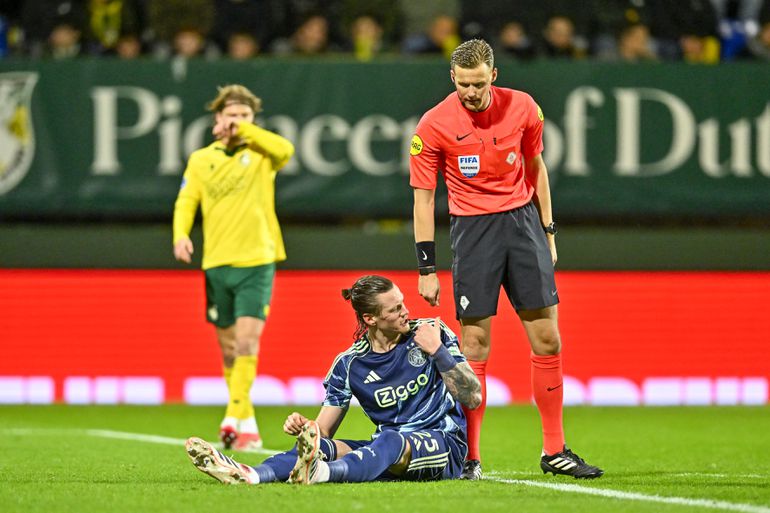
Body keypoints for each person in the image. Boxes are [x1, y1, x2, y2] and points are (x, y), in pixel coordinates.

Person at [409, 38, 603, 480]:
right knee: (474, 347)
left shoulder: (523, 107)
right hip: (473, 232)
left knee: (548, 339)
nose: (472, 93)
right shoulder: (434, 124)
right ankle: (469, 457)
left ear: (493, 76)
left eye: (479, 83)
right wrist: (426, 267)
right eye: (464, 85)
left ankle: (554, 450)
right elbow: (424, 200)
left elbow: (536, 167)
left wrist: (548, 228)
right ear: (452, 79)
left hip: (522, 225)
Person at [184, 275, 482, 485]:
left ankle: (323, 474)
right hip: (388, 451)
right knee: (325, 449)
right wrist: (305, 427)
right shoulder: (349, 364)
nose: (406, 312)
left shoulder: (432, 333)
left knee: (390, 440)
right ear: (370, 319)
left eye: (403, 303)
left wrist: (439, 352)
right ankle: (251, 474)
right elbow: (322, 432)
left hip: (444, 444)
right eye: (395, 309)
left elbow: (473, 397)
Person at [173, 84, 294, 452]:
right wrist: (180, 234)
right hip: (216, 262)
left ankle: (232, 414)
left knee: (246, 341)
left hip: (257, 259)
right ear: (217, 119)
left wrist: (246, 132)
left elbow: (285, 150)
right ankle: (248, 422)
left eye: (245, 116)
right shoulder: (201, 159)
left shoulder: (262, 154)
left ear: (253, 120)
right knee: (228, 350)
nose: (238, 122)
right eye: (232, 116)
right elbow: (185, 200)